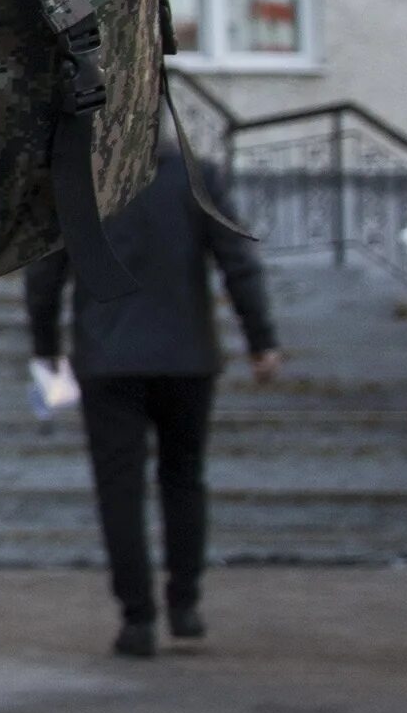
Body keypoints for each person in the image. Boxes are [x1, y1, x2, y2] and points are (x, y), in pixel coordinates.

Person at [26, 133, 280, 661]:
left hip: (106, 360)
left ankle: (137, 618)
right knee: (184, 478)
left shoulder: (78, 179)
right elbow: (236, 258)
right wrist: (260, 339)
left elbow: (45, 274)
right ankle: (184, 605)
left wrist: (46, 348)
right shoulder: (197, 175)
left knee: (119, 489)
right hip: (187, 356)